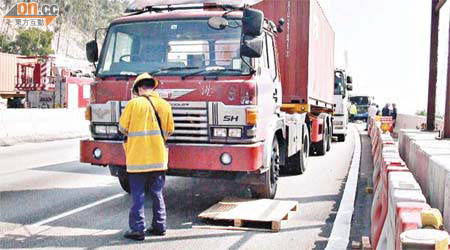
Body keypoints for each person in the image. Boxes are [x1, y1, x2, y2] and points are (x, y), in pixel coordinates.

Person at [119, 73, 174, 241]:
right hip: (158, 158)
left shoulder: (133, 104)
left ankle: (138, 229)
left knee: (138, 195)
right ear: (152, 87)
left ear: (138, 89)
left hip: (138, 159)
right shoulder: (164, 105)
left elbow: (122, 128)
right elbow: (170, 130)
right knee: (157, 193)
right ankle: (159, 226)